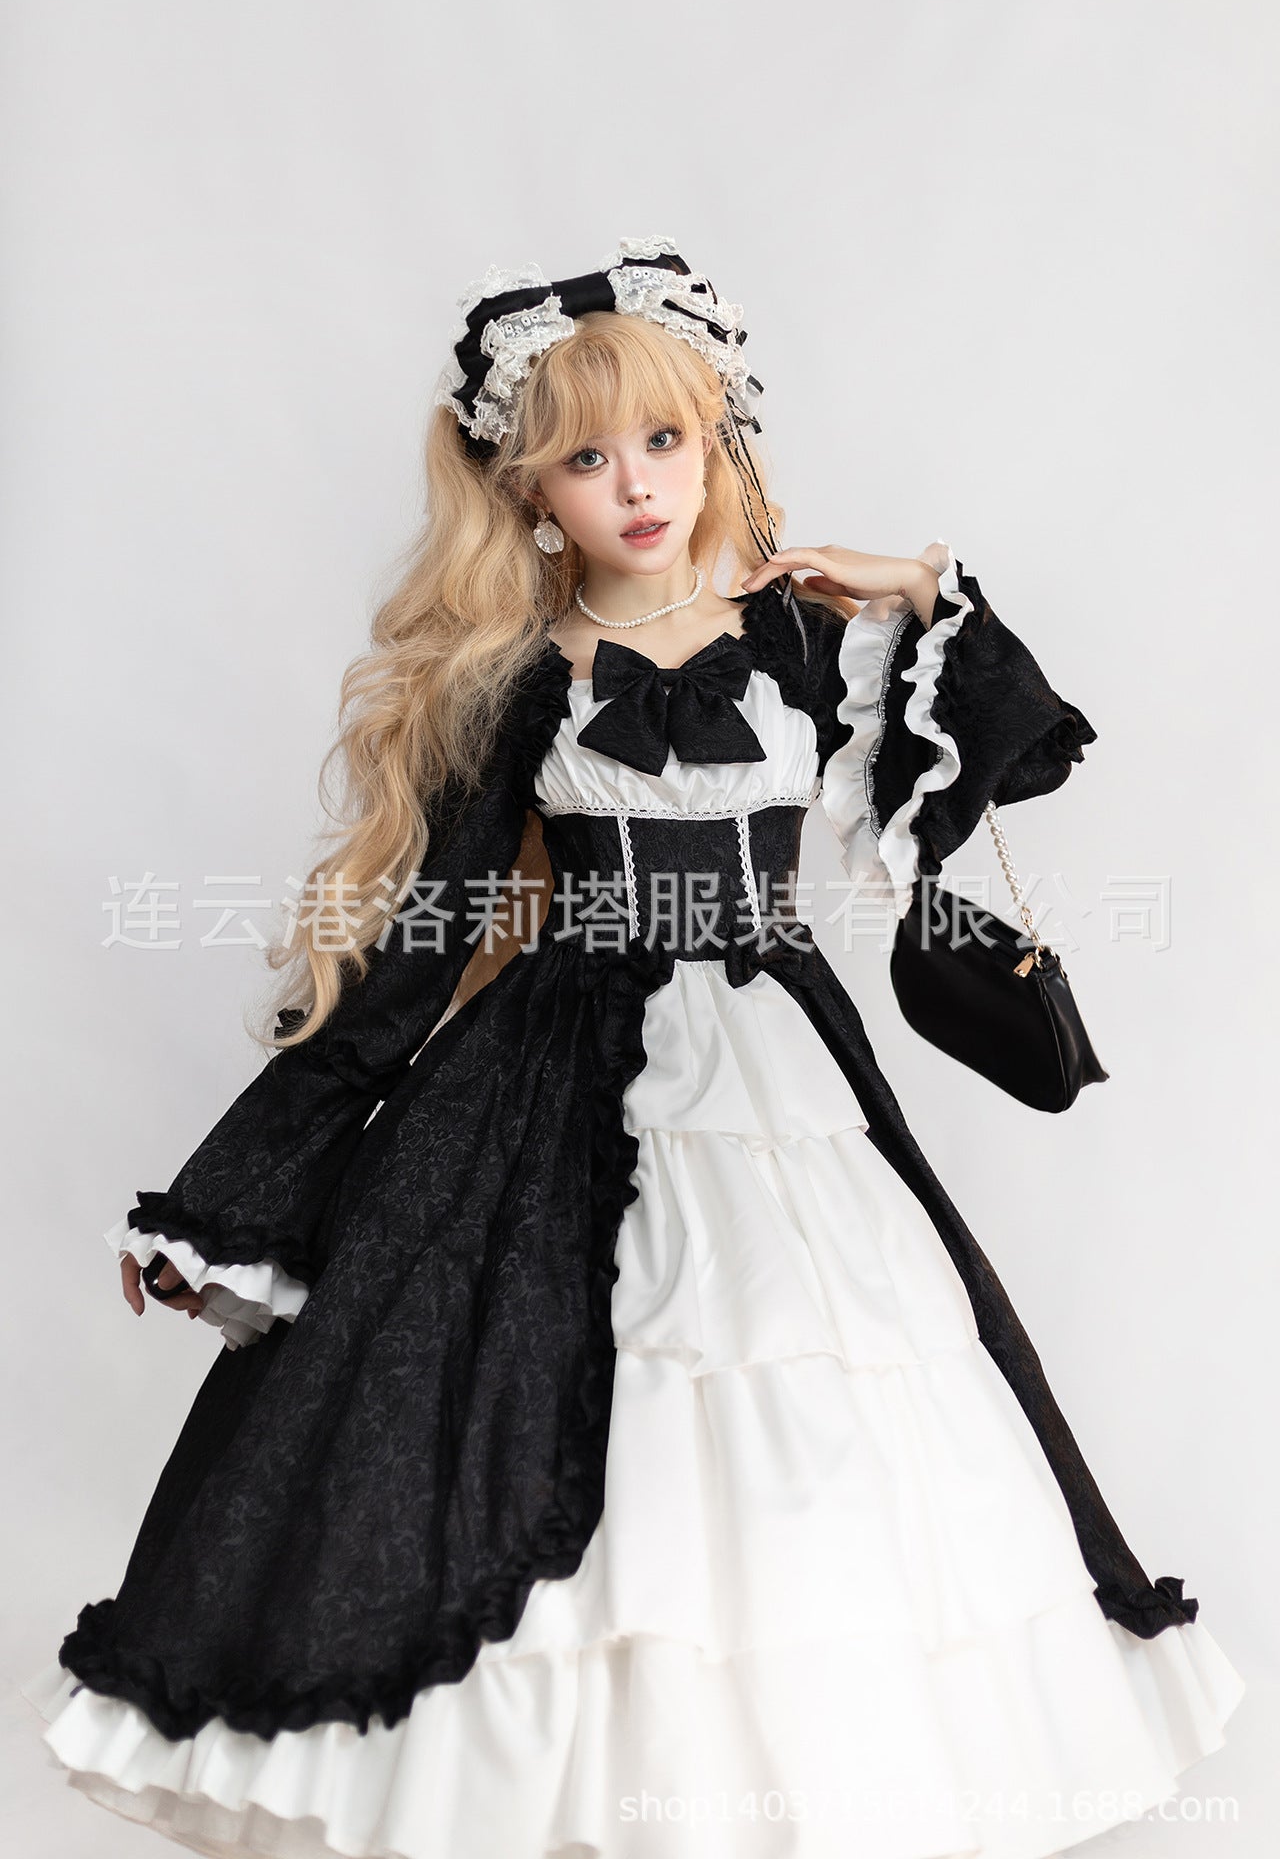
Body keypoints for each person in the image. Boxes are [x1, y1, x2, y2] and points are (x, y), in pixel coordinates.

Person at [24, 237, 1244, 1858]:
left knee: (817, 1388)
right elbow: (409, 960)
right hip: (549, 1077)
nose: (637, 484)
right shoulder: (514, 686)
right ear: (529, 494)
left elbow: (1012, 751)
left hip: (783, 1081)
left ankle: (807, 1782)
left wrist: (914, 588)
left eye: (665, 439)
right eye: (586, 458)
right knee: (550, 1404)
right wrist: (225, 1201)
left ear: (716, 438)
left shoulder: (802, 646)